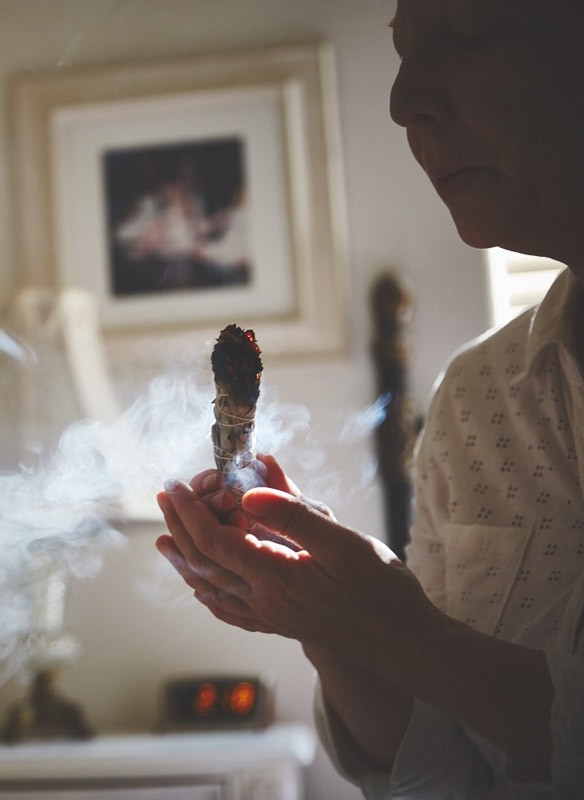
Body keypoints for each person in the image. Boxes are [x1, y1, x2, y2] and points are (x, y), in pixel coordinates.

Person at [155, 1, 584, 797]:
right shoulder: (478, 396)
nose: (402, 100)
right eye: (401, 47)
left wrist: (399, 632)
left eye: (470, 32)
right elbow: (447, 779)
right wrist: (333, 627)